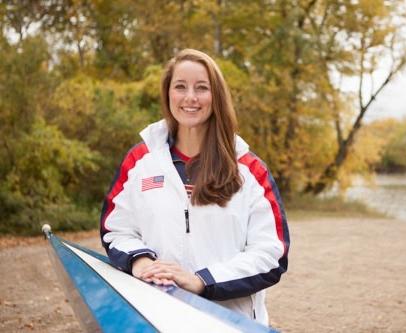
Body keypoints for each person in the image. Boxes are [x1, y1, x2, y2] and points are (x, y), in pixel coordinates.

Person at [99, 48, 289, 325]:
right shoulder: (139, 162)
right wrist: (141, 263)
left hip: (230, 322)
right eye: (180, 87)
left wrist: (201, 281)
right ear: (168, 94)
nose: (190, 97)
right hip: (159, 316)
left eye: (202, 88)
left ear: (216, 97)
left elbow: (271, 254)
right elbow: (116, 229)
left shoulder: (250, 170)